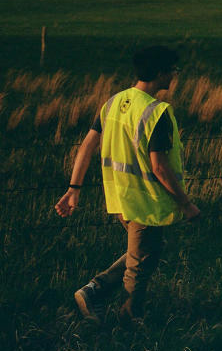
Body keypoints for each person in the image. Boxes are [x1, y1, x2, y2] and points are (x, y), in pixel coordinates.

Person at [54, 45, 201, 323]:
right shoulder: (156, 112)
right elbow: (159, 166)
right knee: (140, 265)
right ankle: (128, 316)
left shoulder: (113, 102)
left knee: (145, 252)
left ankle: (96, 292)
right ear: (160, 73)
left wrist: (74, 189)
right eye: (173, 70)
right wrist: (187, 204)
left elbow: (86, 146)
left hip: (120, 196)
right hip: (146, 200)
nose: (175, 75)